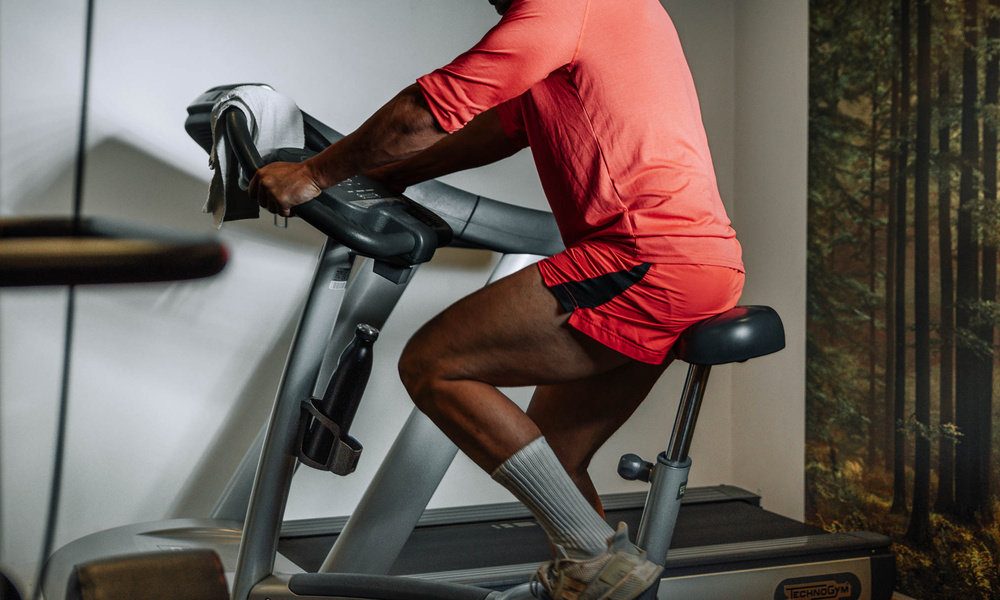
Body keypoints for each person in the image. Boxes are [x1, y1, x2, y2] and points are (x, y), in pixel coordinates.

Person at [248, 1, 744, 598]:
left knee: (433, 365)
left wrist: (314, 174)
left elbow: (429, 109)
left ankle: (595, 560)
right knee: (556, 461)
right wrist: (393, 177)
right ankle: (593, 577)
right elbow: (501, 125)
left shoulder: (566, 5)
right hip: (693, 260)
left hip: (642, 259)